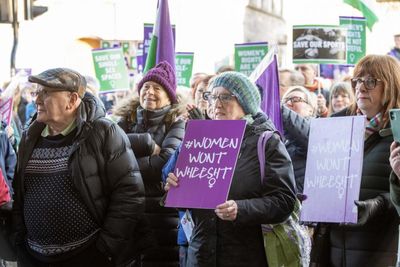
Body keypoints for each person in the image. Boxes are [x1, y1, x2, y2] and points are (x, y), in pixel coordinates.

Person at [11, 68, 145, 267]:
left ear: (72, 100)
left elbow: (129, 194)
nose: (37, 99)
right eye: (36, 92)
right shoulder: (30, 136)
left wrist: (103, 250)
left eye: (45, 93)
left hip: (87, 256)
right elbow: (20, 194)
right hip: (34, 257)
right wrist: (20, 242)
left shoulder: (103, 132)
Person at [165, 71, 296, 267]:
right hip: (201, 255)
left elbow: (284, 200)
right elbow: (184, 204)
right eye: (212, 96)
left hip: (245, 255)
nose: (216, 103)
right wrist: (175, 188)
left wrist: (241, 209)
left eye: (225, 96)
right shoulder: (200, 140)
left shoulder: (266, 142)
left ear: (245, 103)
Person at [314, 55, 400, 266]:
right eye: (357, 81)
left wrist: (376, 205)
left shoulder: (397, 134)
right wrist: (313, 197)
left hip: (380, 252)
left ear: (391, 86)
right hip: (334, 250)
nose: (361, 87)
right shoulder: (337, 127)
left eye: (370, 81)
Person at [113, 61, 185, 266]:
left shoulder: (176, 123)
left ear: (169, 95)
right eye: (146, 87)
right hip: (126, 212)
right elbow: (108, 158)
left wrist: (123, 162)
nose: (149, 92)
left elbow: (165, 163)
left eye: (157, 88)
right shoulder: (124, 121)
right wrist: (146, 144)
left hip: (161, 217)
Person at [281, 86, 317, 194]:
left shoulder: (315, 128)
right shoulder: (275, 133)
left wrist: (277, 107)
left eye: (295, 99)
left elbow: (305, 133)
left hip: (302, 200)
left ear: (311, 109)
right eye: (285, 100)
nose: (288, 103)